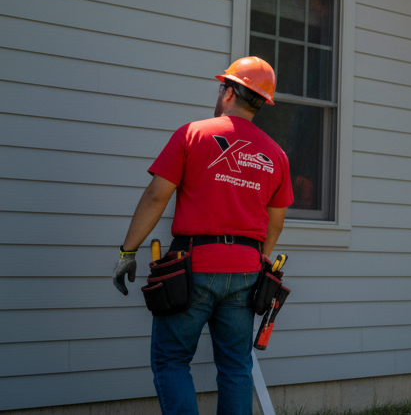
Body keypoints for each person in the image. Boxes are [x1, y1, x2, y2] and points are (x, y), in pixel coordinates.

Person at [112, 57, 294, 415]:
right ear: (261, 102)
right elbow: (276, 222)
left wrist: (127, 251)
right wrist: (259, 260)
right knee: (236, 367)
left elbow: (156, 196)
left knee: (172, 360)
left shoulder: (193, 134)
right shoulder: (276, 155)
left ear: (228, 91)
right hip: (245, 273)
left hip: (192, 268)